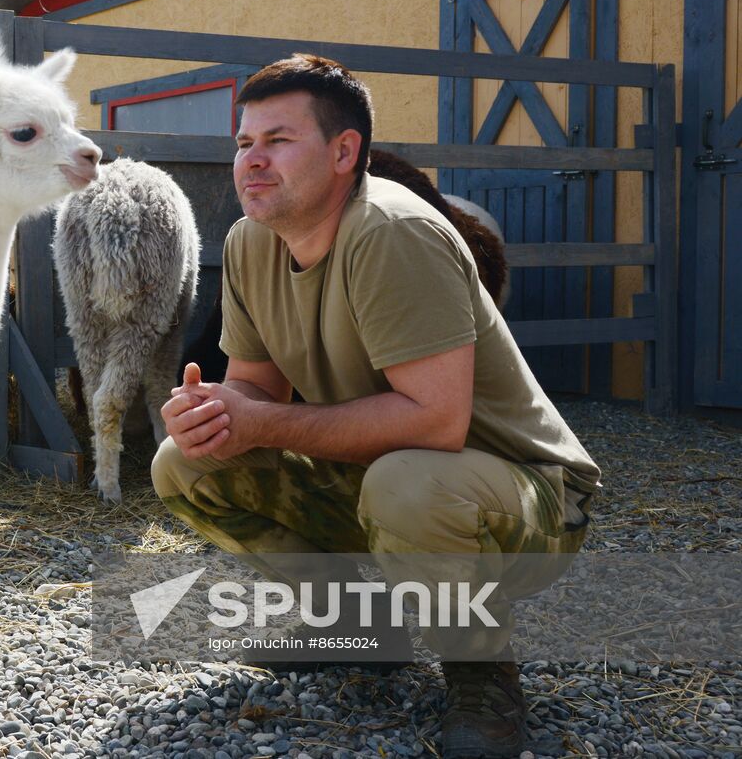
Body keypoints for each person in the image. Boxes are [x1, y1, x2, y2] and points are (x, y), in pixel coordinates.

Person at [151, 54, 600, 759]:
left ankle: (482, 671)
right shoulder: (249, 243)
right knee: (187, 462)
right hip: (392, 473)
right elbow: (257, 389)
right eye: (244, 144)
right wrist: (216, 410)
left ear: (343, 152)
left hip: (527, 500)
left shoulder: (392, 231)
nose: (252, 161)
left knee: (408, 485)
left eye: (278, 141)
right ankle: (355, 624)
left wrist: (265, 421)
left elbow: (435, 422)